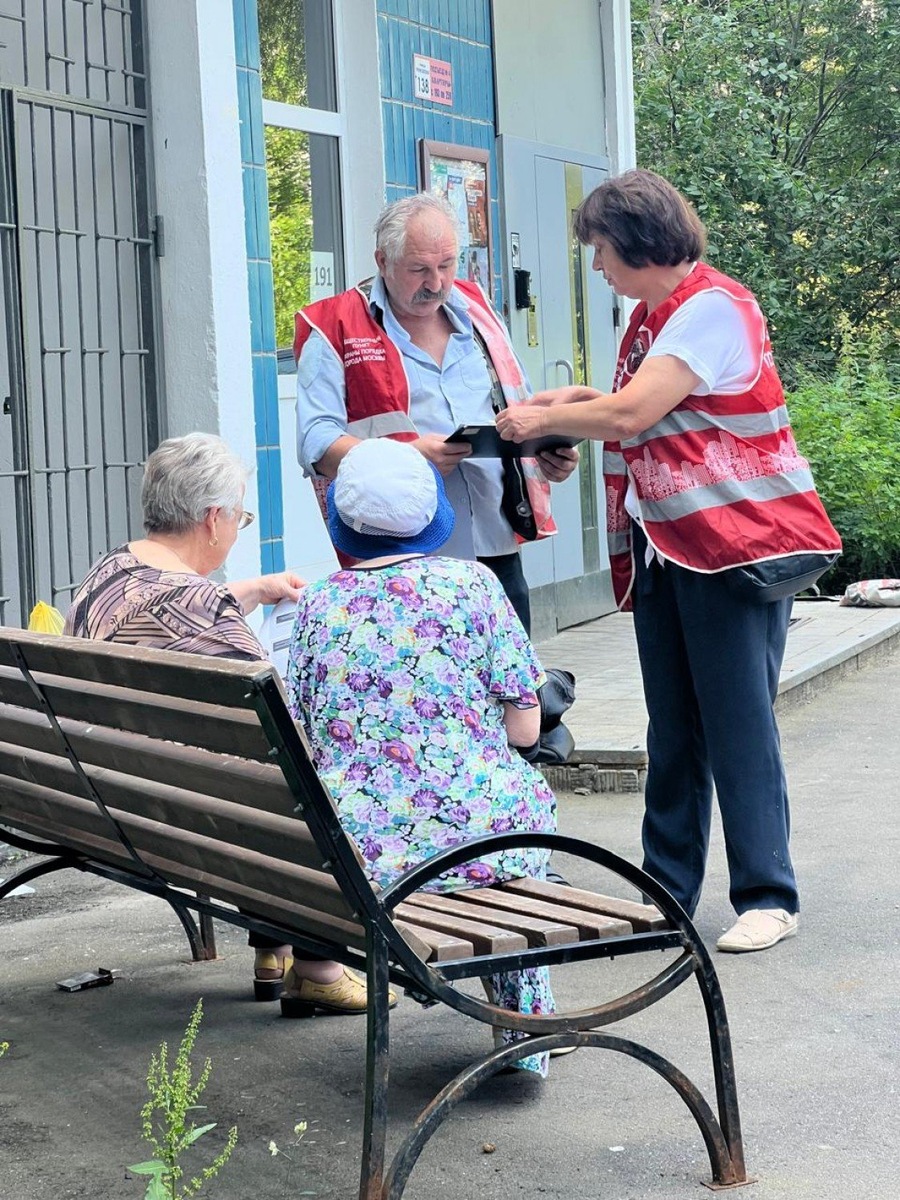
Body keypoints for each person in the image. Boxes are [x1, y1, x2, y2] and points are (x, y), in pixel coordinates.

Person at [496, 169, 842, 954]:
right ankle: (668, 891)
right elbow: (645, 407)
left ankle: (768, 895)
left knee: (738, 725)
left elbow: (632, 412)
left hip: (730, 550)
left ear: (638, 242)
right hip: (669, 547)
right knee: (675, 730)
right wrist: (566, 408)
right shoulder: (654, 318)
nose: (596, 266)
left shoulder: (713, 308)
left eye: (601, 249)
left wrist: (540, 423)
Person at [64, 432, 378, 1013]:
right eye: (240, 517)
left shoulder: (109, 571)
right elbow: (280, 736)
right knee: (301, 779)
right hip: (185, 817)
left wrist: (248, 592)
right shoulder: (205, 612)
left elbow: (160, 609)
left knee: (238, 780)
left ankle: (272, 951)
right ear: (212, 519)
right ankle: (318, 966)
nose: (237, 529)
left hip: (109, 799)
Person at [285, 438, 560, 1073]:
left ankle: (520, 1017)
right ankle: (527, 1018)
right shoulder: (474, 585)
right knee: (510, 795)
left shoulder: (319, 603)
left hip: (362, 860)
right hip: (484, 846)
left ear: (343, 519)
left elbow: (308, 732)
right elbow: (525, 730)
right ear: (432, 511)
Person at [294, 192, 579, 635]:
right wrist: (407, 457)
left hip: (495, 543)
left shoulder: (477, 310)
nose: (437, 282)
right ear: (382, 261)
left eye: (447, 264)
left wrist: (544, 452)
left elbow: (515, 403)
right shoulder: (335, 326)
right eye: (419, 269)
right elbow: (315, 444)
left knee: (510, 675)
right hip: (398, 554)